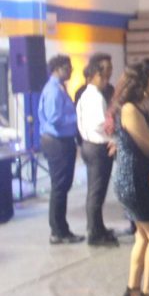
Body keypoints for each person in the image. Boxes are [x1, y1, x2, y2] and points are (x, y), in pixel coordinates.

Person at [111, 63, 149, 296]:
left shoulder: (136, 108)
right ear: (142, 84)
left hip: (132, 178)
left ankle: (133, 292)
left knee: (143, 237)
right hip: (133, 180)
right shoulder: (131, 110)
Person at [39, 55, 82, 244]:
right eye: (68, 67)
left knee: (62, 186)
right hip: (57, 141)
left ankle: (61, 228)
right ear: (57, 68)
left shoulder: (58, 88)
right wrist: (77, 118)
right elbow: (54, 118)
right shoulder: (53, 91)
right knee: (59, 187)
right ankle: (57, 231)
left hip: (61, 141)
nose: (71, 71)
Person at [77, 58, 118, 246]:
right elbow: (100, 124)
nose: (107, 77)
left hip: (90, 145)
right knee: (96, 192)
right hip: (97, 146)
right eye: (104, 73)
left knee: (97, 192)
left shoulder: (90, 95)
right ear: (94, 74)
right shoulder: (93, 97)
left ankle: (98, 227)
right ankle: (94, 232)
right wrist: (114, 135)